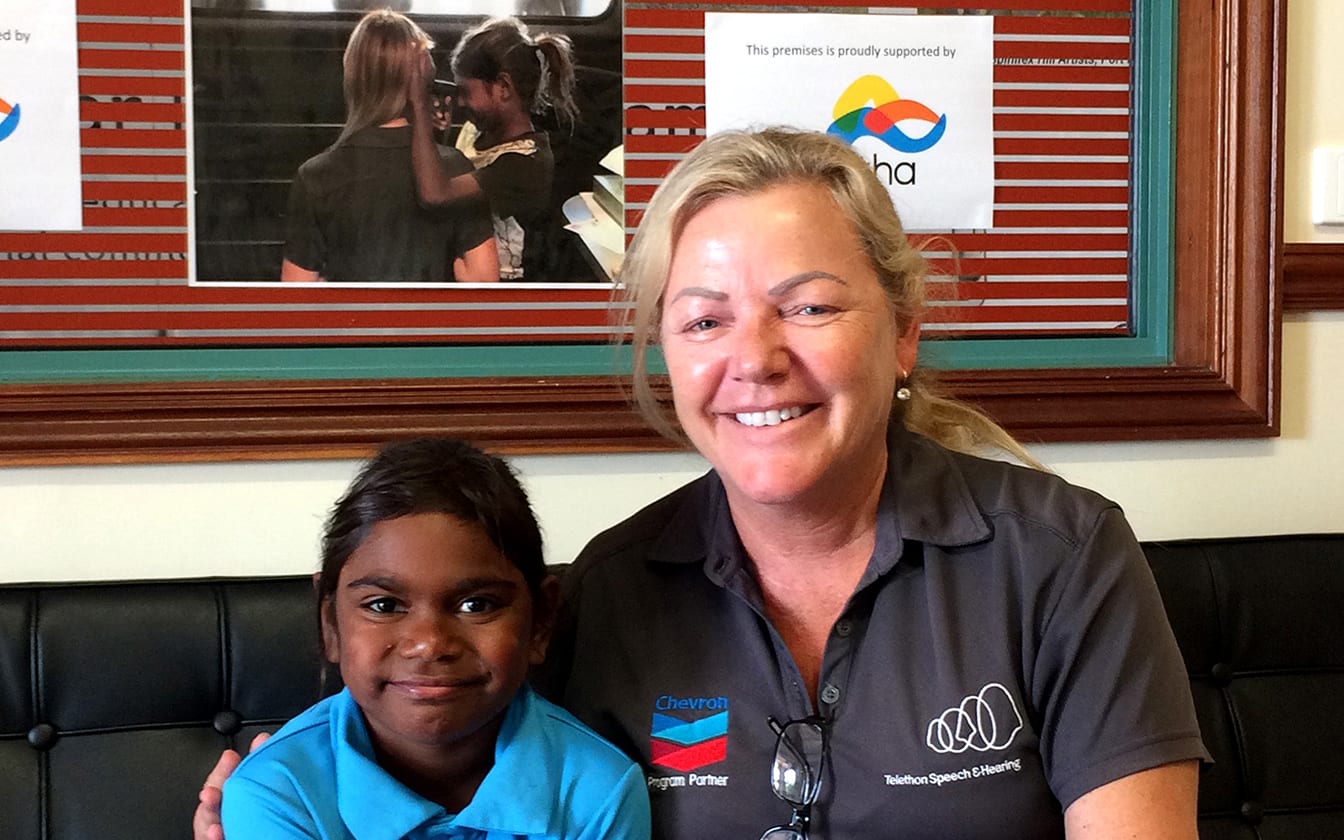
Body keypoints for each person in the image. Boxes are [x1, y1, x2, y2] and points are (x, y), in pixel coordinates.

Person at [197, 128, 1206, 839]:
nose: (755, 359)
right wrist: (274, 800)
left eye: (807, 308)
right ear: (666, 357)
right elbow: (454, 741)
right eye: (706, 319)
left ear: (903, 333)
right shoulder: (614, 587)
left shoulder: (1059, 558)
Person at [215, 438, 651, 839]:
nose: (429, 643)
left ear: (540, 622)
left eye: (476, 605)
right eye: (384, 606)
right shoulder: (280, 793)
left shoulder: (597, 791)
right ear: (330, 624)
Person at [280, 10, 497, 283]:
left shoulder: (316, 177)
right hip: (431, 325)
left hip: (353, 325)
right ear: (422, 82)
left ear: (354, 78)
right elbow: (482, 281)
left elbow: (297, 298)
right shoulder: (454, 170)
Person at [407, 17, 577, 281]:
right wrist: (437, 133)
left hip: (502, 289)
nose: (460, 102)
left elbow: (436, 193)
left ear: (503, 87)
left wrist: (417, 104)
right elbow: (449, 175)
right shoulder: (477, 131)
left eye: (466, 92)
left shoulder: (525, 163)